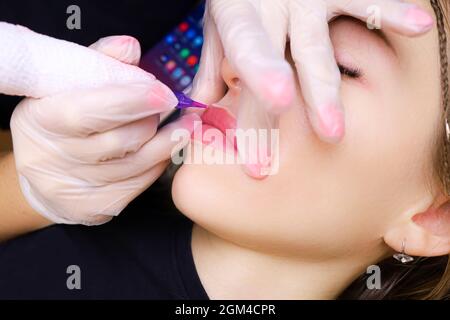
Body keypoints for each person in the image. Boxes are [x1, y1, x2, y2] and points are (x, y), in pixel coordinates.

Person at [1, 0, 448, 300]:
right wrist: (25, 192)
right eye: (267, 39)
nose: (239, 70)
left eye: (340, 66)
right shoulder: (87, 189)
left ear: (437, 218)